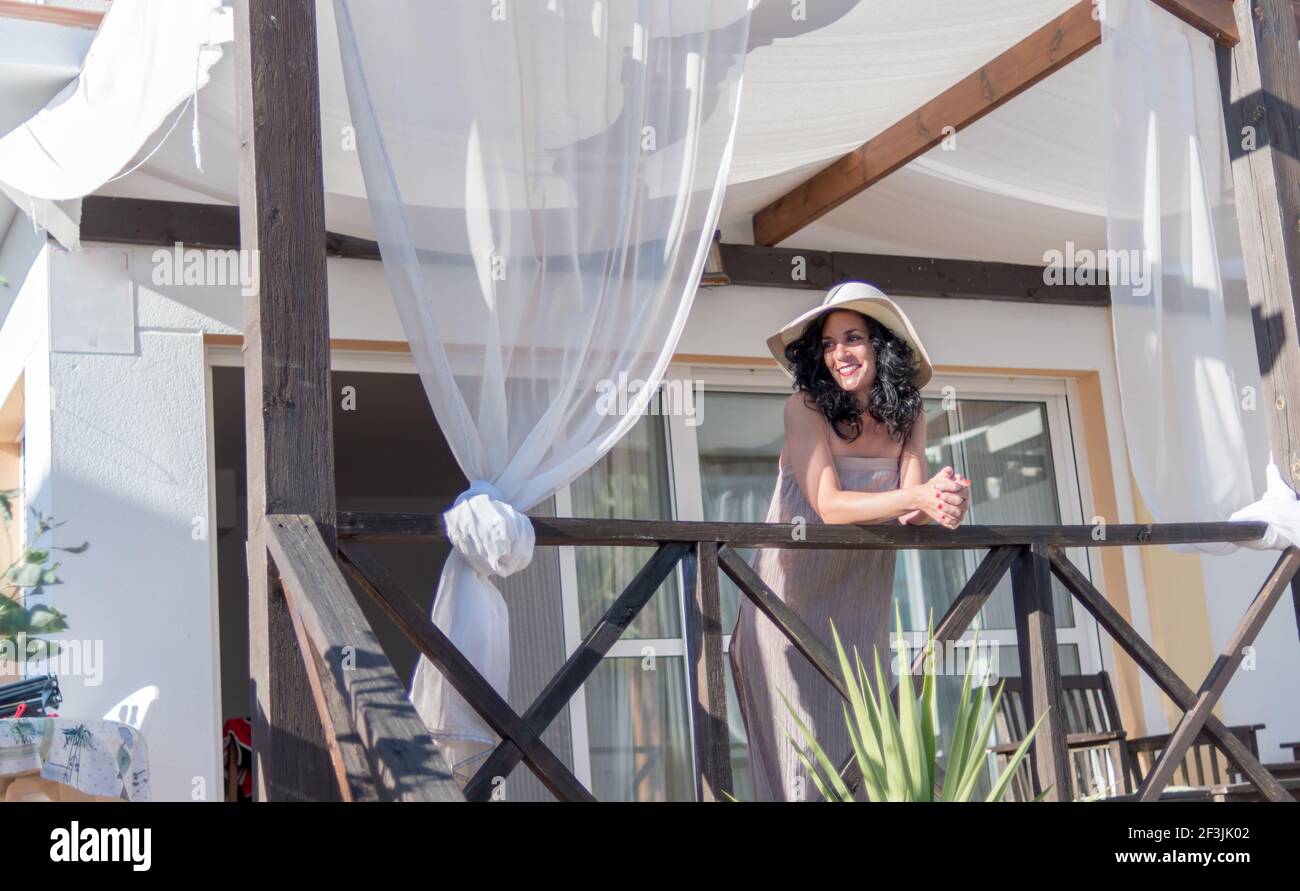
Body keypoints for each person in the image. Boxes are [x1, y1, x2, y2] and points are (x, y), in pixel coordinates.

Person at [728, 281, 971, 801]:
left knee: (863, 771)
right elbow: (831, 506)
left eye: (853, 338)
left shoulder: (910, 417)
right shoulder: (804, 410)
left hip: (859, 615)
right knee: (804, 771)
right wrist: (922, 498)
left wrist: (946, 501)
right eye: (829, 343)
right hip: (785, 617)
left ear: (879, 345)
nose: (840, 353)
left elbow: (913, 507)